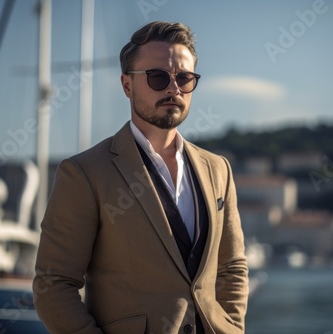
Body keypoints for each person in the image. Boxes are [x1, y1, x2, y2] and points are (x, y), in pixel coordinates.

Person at [33, 21, 248, 334]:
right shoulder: (85, 173)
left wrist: (231, 328)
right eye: (158, 77)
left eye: (184, 78)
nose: (173, 88)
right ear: (127, 85)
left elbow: (232, 268)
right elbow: (53, 284)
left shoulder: (218, 169)